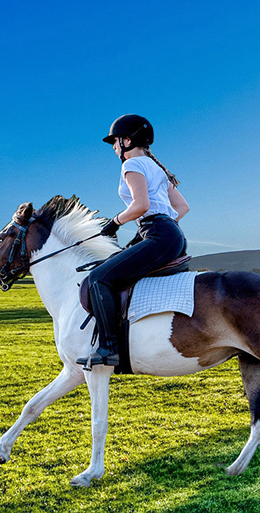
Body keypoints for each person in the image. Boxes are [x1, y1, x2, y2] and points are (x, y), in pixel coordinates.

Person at [77, 114, 190, 369]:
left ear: (127, 140)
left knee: (97, 279)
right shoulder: (157, 168)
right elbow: (182, 207)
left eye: (115, 142)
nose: (114, 148)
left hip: (160, 234)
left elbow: (141, 205)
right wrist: (151, 228)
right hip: (170, 234)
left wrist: (115, 222)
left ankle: (108, 348)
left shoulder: (131, 165)